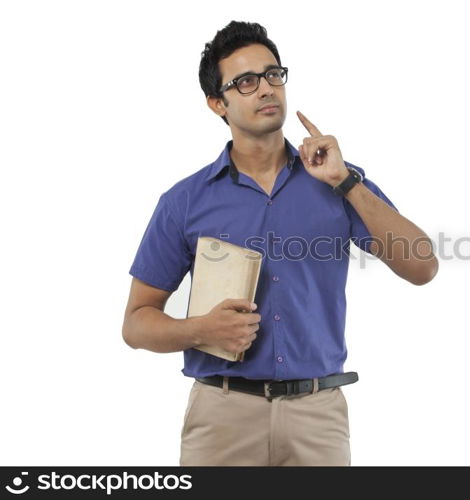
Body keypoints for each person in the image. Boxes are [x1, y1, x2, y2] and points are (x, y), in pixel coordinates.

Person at [121, 20, 438, 466]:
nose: (266, 88)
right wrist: (201, 330)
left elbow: (422, 266)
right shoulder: (184, 202)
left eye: (273, 75)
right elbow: (136, 324)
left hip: (318, 415)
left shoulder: (339, 180)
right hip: (222, 417)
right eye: (246, 82)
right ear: (218, 104)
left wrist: (345, 182)